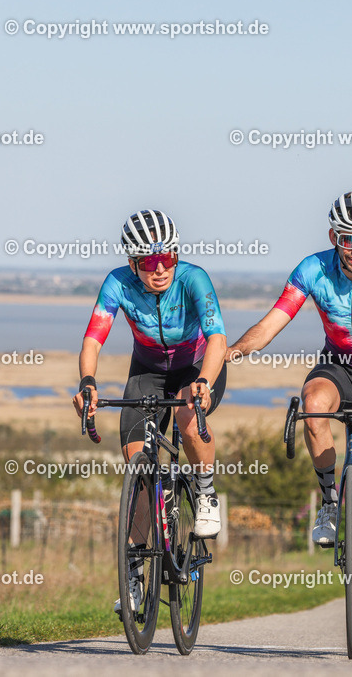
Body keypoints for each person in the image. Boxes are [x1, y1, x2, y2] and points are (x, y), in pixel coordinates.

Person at [227, 191, 352, 626]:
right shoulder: (312, 269)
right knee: (314, 406)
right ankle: (332, 503)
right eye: (348, 239)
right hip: (337, 365)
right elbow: (272, 323)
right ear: (333, 235)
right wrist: (230, 353)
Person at [72, 209, 227, 614]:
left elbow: (217, 338)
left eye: (167, 259)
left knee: (187, 421)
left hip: (197, 368)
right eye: (148, 263)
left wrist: (205, 383)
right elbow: (93, 338)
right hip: (148, 371)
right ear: (131, 263)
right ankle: (136, 574)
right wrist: (88, 382)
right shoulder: (117, 284)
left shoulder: (194, 279)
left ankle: (207, 494)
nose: (160, 270)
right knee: (137, 466)